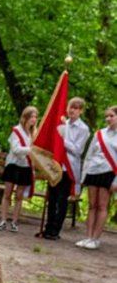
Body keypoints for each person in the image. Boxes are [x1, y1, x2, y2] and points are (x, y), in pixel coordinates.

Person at [41, 96, 90, 240]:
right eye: (70, 107)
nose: (72, 110)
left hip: (68, 167)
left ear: (81, 111)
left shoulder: (83, 129)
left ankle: (55, 230)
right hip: (55, 166)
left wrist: (64, 139)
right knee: (52, 198)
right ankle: (48, 227)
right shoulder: (62, 123)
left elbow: (78, 150)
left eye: (76, 108)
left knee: (62, 200)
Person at [76, 106, 117, 249]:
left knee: (102, 205)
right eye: (107, 116)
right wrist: (84, 176)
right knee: (92, 205)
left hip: (109, 172)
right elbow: (88, 156)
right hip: (93, 171)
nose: (108, 119)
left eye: (111, 116)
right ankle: (88, 237)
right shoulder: (100, 134)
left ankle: (96, 238)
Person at [0, 105, 38, 232]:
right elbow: (15, 149)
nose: (34, 119)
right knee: (7, 193)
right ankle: (3, 220)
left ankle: (14, 222)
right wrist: (30, 150)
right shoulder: (16, 131)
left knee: (19, 195)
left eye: (35, 117)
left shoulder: (34, 134)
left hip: (25, 166)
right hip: (13, 165)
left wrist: (33, 168)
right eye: (31, 116)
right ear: (25, 117)